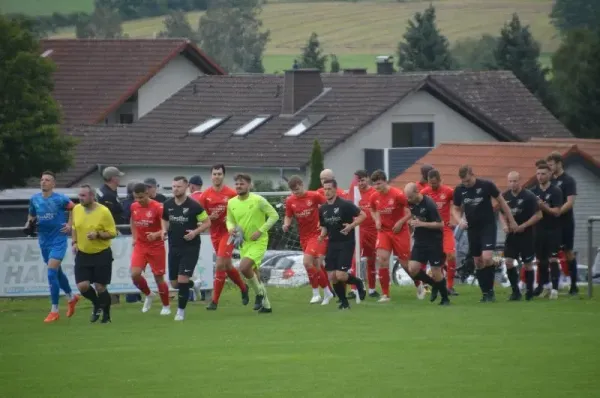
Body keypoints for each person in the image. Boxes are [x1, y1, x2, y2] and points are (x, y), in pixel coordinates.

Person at [452, 165, 517, 302]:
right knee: (478, 261)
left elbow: (502, 202)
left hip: (487, 226)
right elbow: (455, 209)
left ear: (472, 174)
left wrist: (511, 221)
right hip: (472, 229)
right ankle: (486, 293)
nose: (466, 184)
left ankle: (491, 290)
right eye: (464, 182)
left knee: (487, 257)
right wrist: (459, 221)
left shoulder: (486, 185)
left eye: (468, 181)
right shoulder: (460, 190)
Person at [27, 171, 79, 323]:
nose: (43, 182)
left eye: (47, 180)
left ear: (53, 184)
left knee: (51, 273)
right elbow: (31, 215)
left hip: (58, 239)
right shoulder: (34, 199)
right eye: (42, 179)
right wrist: (29, 223)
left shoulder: (60, 198)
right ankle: (71, 297)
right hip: (44, 240)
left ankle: (54, 310)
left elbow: (74, 209)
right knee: (57, 272)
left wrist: (69, 225)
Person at [197, 165, 249, 311]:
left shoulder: (232, 194)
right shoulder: (205, 195)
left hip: (229, 232)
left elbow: (241, 212)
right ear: (211, 176)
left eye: (219, 174)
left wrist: (234, 222)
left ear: (223, 176)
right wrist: (208, 218)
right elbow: (200, 218)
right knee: (227, 266)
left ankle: (214, 301)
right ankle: (244, 288)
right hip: (215, 233)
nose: (217, 176)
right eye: (214, 174)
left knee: (220, 264)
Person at [226, 173, 279, 313]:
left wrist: (260, 231)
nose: (239, 186)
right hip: (244, 243)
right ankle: (266, 305)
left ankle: (259, 294)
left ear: (249, 185)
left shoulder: (258, 200)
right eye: (237, 184)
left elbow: (274, 215)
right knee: (254, 272)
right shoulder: (231, 202)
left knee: (243, 267)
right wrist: (231, 229)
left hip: (259, 241)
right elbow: (229, 220)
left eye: (242, 183)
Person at [161, 176, 211, 321]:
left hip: (190, 248)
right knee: (175, 283)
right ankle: (194, 284)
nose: (176, 189)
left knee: (182, 279)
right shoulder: (167, 204)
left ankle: (180, 312)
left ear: (186, 187)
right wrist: (164, 230)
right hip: (173, 247)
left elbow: (207, 222)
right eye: (174, 186)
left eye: (179, 186)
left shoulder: (194, 206)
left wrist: (195, 232)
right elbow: (164, 218)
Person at [283, 175, 334, 304]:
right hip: (303, 236)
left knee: (307, 262)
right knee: (315, 264)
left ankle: (317, 292)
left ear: (302, 185)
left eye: (297, 189)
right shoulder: (290, 201)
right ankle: (326, 292)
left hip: (317, 235)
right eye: (293, 191)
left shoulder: (314, 196)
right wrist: (286, 224)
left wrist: (324, 221)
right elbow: (288, 216)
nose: (296, 192)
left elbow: (328, 206)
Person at [318, 179, 367, 310]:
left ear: (335, 189)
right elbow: (324, 227)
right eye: (325, 189)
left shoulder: (345, 204)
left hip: (346, 242)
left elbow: (363, 215)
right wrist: (322, 236)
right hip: (332, 243)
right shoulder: (323, 208)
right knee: (332, 276)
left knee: (341, 275)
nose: (327, 191)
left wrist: (351, 226)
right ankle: (344, 302)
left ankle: (358, 282)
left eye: (329, 189)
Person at [72, 185, 117, 323]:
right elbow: (74, 226)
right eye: (79, 195)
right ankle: (97, 304)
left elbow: (112, 233)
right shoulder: (76, 209)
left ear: (92, 196)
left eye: (84, 195)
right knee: (82, 286)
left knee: (100, 286)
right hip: (83, 253)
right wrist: (74, 242)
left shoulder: (104, 211)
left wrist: (98, 234)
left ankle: (106, 316)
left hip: (101, 253)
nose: (80, 198)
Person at [369, 170, 412, 302]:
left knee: (406, 264)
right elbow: (373, 210)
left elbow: (411, 211)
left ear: (385, 181)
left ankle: (419, 283)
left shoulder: (398, 194)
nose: (377, 187)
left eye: (379, 184)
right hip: (384, 231)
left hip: (400, 231)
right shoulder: (374, 196)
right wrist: (376, 220)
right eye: (375, 184)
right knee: (382, 259)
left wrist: (400, 222)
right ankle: (385, 294)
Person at [404, 182, 450, 305]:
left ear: (417, 192)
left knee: (436, 270)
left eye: (410, 197)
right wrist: (410, 222)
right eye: (407, 197)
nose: (408, 200)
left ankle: (445, 299)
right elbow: (409, 214)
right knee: (412, 269)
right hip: (420, 240)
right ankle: (434, 284)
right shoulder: (410, 203)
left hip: (434, 241)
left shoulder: (429, 204)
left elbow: (440, 224)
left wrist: (421, 224)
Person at [499, 171, 542, 301]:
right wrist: (505, 225)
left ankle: (529, 292)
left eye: (515, 181)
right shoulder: (505, 196)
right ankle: (515, 292)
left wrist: (524, 225)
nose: (512, 184)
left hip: (526, 235)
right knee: (508, 262)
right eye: (510, 181)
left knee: (528, 263)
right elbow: (501, 214)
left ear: (520, 181)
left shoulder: (529, 196)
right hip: (512, 236)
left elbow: (539, 215)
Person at [129, 183, 170, 315]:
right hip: (141, 245)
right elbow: (133, 221)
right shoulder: (134, 206)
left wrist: (156, 234)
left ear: (147, 193)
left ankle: (166, 306)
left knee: (158, 277)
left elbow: (166, 226)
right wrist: (134, 238)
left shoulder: (158, 207)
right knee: (135, 274)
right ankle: (149, 294)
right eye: (136, 197)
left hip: (156, 246)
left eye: (141, 197)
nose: (138, 200)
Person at [422, 169, 459, 299]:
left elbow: (457, 204)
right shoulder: (424, 193)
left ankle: (449, 286)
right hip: (431, 231)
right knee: (435, 260)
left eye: (435, 183)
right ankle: (435, 284)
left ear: (440, 180)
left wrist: (456, 218)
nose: (433, 186)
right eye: (430, 184)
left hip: (445, 229)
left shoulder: (448, 191)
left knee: (451, 255)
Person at [546, 152, 578, 295]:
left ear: (559, 163)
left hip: (565, 222)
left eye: (551, 165)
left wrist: (558, 211)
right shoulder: (550, 181)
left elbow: (570, 202)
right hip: (552, 223)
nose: (550, 168)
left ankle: (573, 285)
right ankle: (552, 286)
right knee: (551, 254)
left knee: (568, 252)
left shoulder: (568, 180)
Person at [530, 164, 564, 300]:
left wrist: (543, 207)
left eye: (543, 173)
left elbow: (557, 212)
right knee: (540, 260)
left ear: (549, 174)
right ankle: (543, 286)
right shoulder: (533, 191)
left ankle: (555, 289)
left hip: (553, 230)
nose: (540, 176)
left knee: (553, 259)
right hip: (538, 230)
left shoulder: (556, 191)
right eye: (538, 174)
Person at [347, 170, 379, 299]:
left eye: (363, 180)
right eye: (358, 181)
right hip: (358, 230)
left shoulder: (374, 193)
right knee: (356, 259)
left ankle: (372, 289)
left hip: (373, 231)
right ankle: (355, 289)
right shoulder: (354, 193)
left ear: (368, 179)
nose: (360, 183)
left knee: (371, 259)